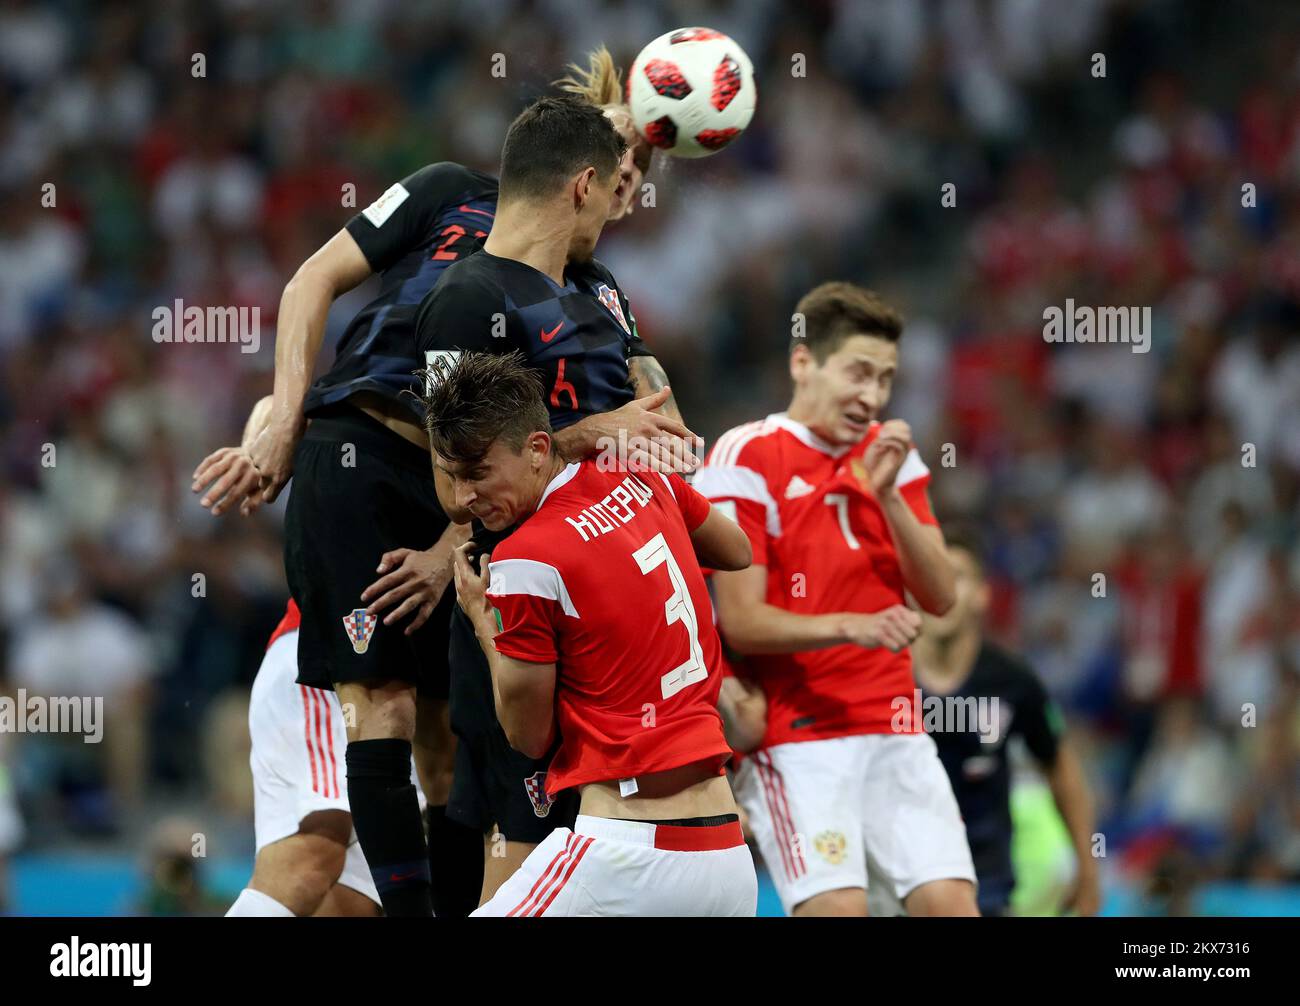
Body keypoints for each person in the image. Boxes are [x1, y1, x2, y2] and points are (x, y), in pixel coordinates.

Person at [191, 48, 679, 917]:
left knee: (450, 753)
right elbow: (312, 280)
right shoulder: (449, 192)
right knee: (374, 712)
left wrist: (452, 542)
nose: (628, 187)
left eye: (640, 175)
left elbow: (640, 435)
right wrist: (283, 412)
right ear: (576, 164)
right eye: (620, 164)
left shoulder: (591, 295)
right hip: (365, 451)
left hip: (463, 498)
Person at [412, 92, 701, 906]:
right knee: (527, 855)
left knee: (605, 853)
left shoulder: (599, 293)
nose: (624, 202)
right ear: (583, 184)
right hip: (528, 607)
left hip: (620, 619)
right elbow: (452, 476)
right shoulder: (468, 299)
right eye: (617, 185)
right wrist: (586, 438)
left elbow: (663, 427)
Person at [426, 351, 756, 916]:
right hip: (726, 857)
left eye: (478, 473)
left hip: (628, 854)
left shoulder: (525, 560)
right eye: (453, 477)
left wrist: (484, 624)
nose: (464, 499)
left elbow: (528, 737)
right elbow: (737, 550)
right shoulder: (637, 469)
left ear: (536, 449)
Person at [697, 281, 980, 917]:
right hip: (799, 736)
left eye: (885, 379)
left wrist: (887, 497)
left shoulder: (890, 459)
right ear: (804, 362)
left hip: (895, 726)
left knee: (951, 907)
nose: (872, 395)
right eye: (858, 372)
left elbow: (940, 599)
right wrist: (853, 625)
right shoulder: (746, 455)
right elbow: (741, 622)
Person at [910, 531, 1102, 917]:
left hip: (987, 884)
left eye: (957, 576)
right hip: (900, 879)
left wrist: (1087, 866)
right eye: (929, 574)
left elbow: (1060, 766)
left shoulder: (1012, 679)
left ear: (983, 595)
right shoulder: (879, 677)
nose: (942, 587)